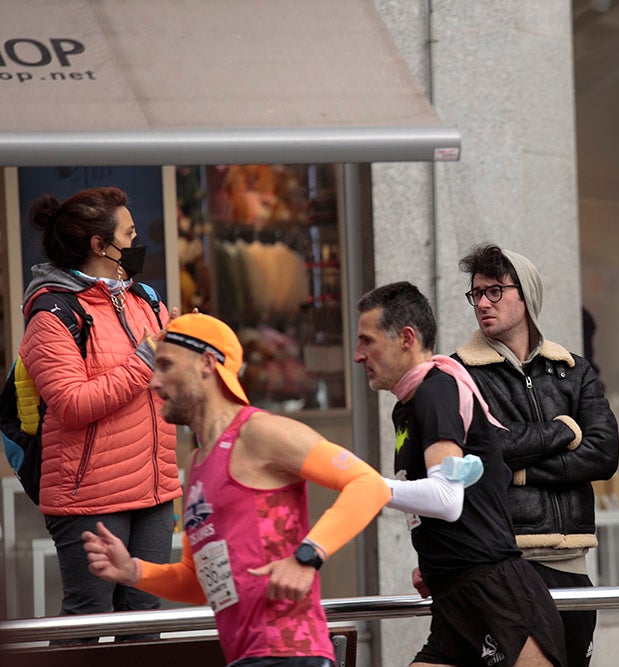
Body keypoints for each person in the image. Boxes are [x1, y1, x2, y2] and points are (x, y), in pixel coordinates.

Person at [82, 312, 390, 666]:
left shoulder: (258, 432)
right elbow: (197, 582)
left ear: (207, 363)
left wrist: (307, 556)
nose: (153, 381)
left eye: (165, 365)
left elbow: (368, 484)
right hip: (245, 657)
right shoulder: (196, 463)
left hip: (291, 653)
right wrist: (133, 570)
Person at [354, 281, 567, 667]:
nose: (357, 355)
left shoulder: (437, 389)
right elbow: (478, 487)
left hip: (497, 594)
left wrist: (366, 486)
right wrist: (438, 558)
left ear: (406, 338)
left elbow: (446, 499)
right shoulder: (407, 404)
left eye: (367, 341)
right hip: (454, 597)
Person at [19, 187, 179, 637]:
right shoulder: (52, 313)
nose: (137, 241)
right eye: (130, 233)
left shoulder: (145, 299)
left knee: (146, 619)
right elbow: (73, 404)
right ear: (99, 245)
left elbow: (166, 385)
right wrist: (149, 356)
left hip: (155, 488)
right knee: (88, 618)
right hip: (88, 496)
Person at [453, 244, 619, 666]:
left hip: (574, 563)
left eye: (495, 291)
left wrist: (521, 473)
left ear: (525, 296)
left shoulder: (573, 368)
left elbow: (604, 455)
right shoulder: (459, 372)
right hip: (506, 559)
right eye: (477, 294)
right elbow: (489, 447)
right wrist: (564, 430)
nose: (483, 304)